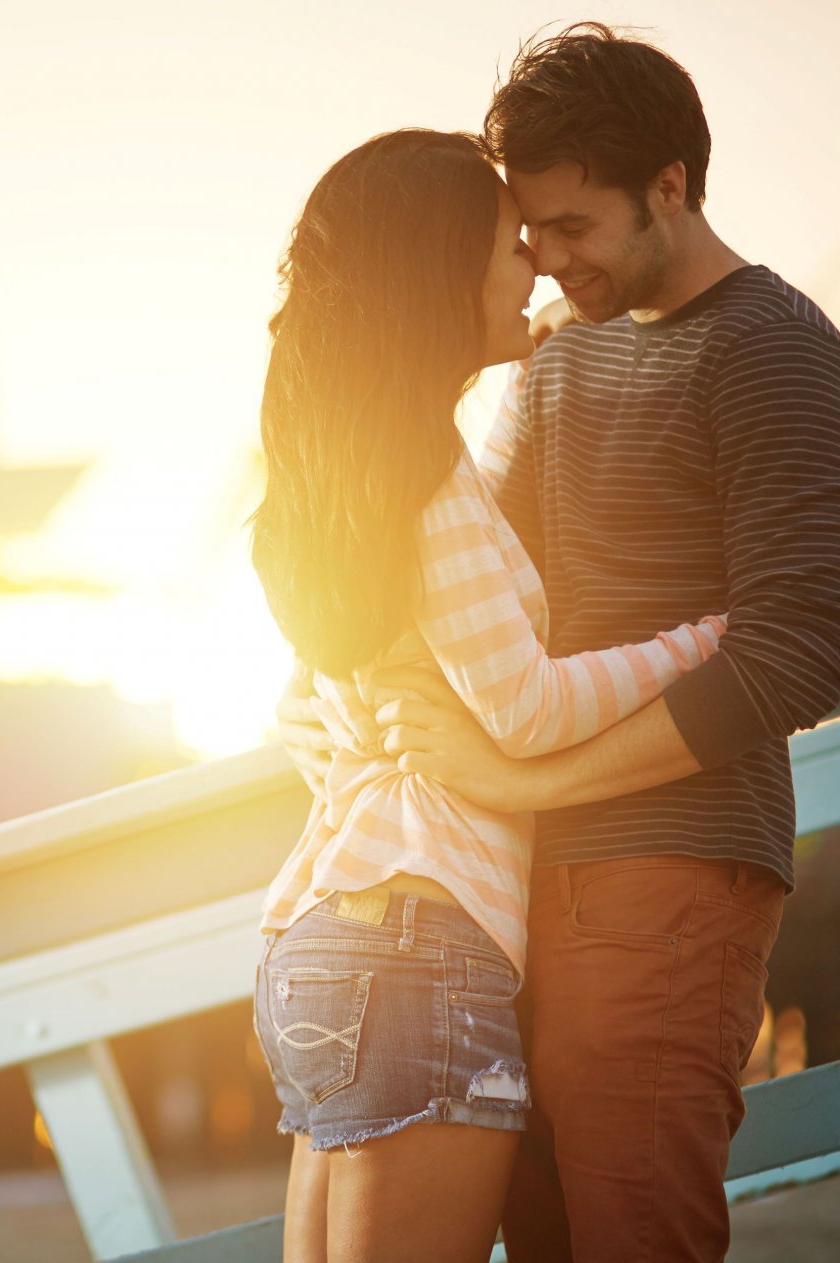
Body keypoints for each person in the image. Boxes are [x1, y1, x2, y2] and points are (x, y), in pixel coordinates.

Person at [279, 25, 840, 1263]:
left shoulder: (775, 350)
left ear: (670, 184)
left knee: (630, 1232)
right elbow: (449, 570)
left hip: (670, 871)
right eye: (528, 234)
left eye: (571, 228)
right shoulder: (557, 360)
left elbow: (795, 652)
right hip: (512, 889)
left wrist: (517, 776)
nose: (546, 265)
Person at [249, 127, 731, 1263]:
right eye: (511, 247)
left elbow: (313, 711)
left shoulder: (341, 478)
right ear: (442, 278)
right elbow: (523, 706)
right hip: (421, 941)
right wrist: (706, 639)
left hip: (321, 938)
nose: (538, 269)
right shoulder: (426, 476)